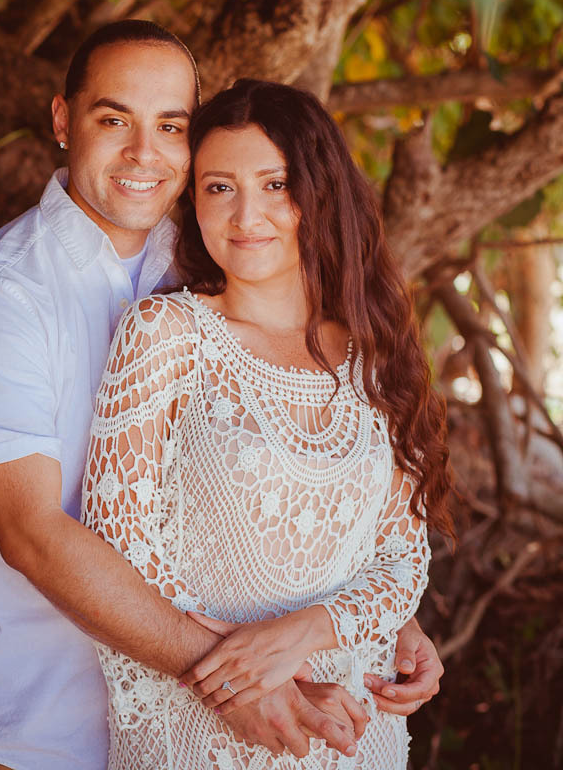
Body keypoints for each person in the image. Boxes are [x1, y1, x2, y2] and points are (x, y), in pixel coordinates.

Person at [0, 23, 444, 770]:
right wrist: (242, 679)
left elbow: (277, 502)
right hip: (22, 727)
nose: (143, 152)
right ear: (63, 121)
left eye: (171, 126)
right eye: (113, 119)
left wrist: (371, 622)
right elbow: (33, 536)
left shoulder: (196, 269)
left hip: (173, 730)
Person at [82, 78, 453, 769]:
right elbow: (121, 552)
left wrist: (315, 634)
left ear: (319, 194)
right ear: (192, 203)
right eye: (219, 187)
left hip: (353, 727)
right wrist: (256, 673)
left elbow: (400, 557)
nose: (245, 214)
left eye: (274, 184)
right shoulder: (167, 335)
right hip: (204, 726)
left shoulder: (376, 354)